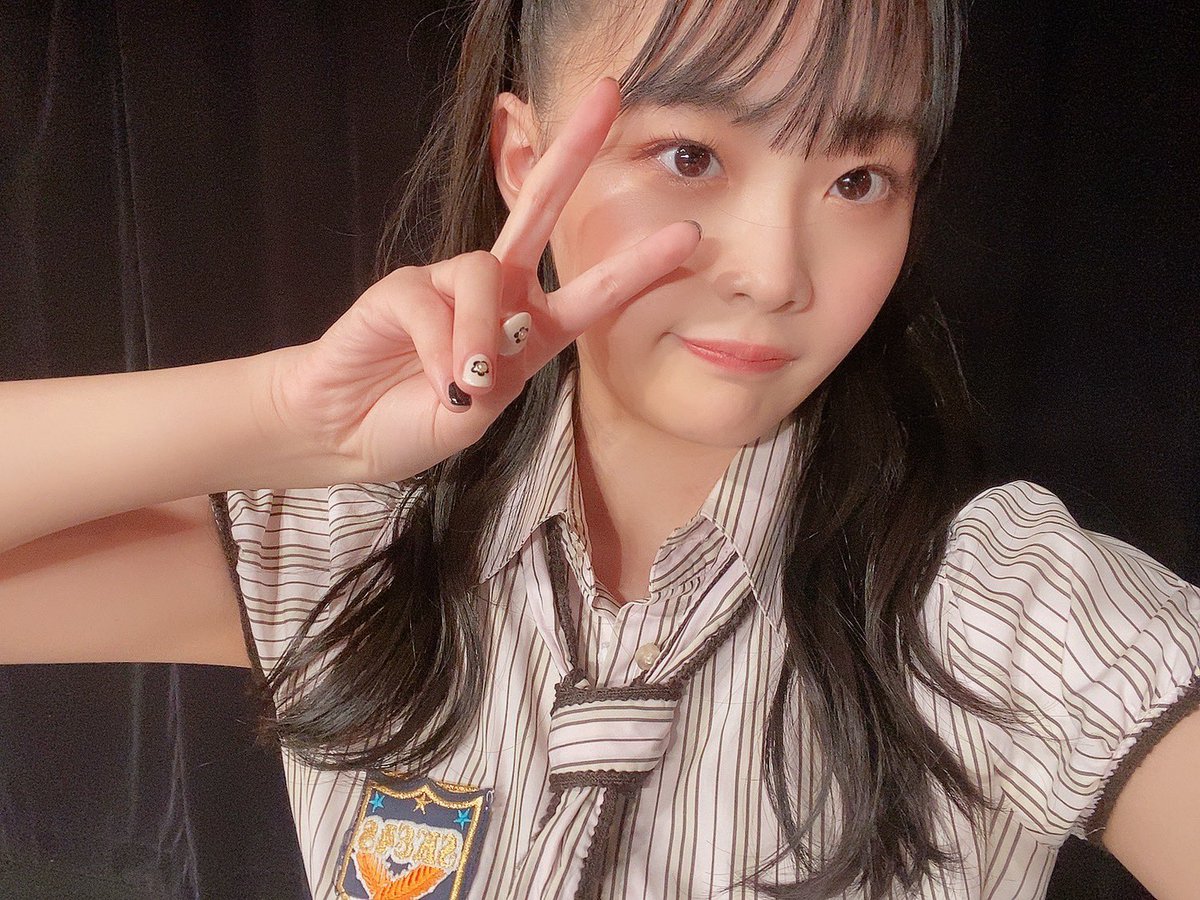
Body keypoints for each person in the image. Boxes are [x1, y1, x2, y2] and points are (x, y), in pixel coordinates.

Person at [1, 0, 1198, 898]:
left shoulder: (997, 609)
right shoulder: (361, 551)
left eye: (857, 179)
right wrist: (285, 416)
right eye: (690, 157)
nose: (777, 273)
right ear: (527, 163)